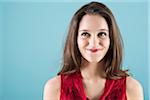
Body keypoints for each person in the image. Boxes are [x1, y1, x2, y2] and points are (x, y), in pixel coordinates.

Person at [43, 1, 144, 100]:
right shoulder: (54, 88)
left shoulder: (132, 88)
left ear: (111, 39)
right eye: (85, 34)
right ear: (75, 39)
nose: (94, 43)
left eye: (102, 34)